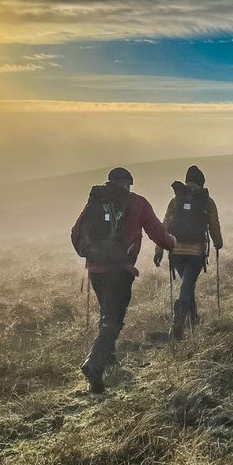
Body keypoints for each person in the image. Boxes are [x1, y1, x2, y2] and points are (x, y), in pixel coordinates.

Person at [71, 167, 175, 393]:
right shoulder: (137, 202)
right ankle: (94, 364)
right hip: (120, 270)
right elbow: (156, 230)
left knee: (106, 315)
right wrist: (170, 243)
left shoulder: (94, 201)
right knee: (113, 320)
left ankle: (107, 366)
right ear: (127, 183)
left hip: (96, 271)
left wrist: (91, 254)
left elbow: (75, 234)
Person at [154, 165, 223, 340]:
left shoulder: (176, 200)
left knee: (187, 284)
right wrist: (218, 243)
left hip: (176, 251)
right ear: (202, 182)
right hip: (196, 252)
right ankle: (179, 322)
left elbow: (164, 226)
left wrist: (159, 249)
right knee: (187, 286)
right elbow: (214, 226)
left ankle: (192, 321)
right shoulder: (207, 201)